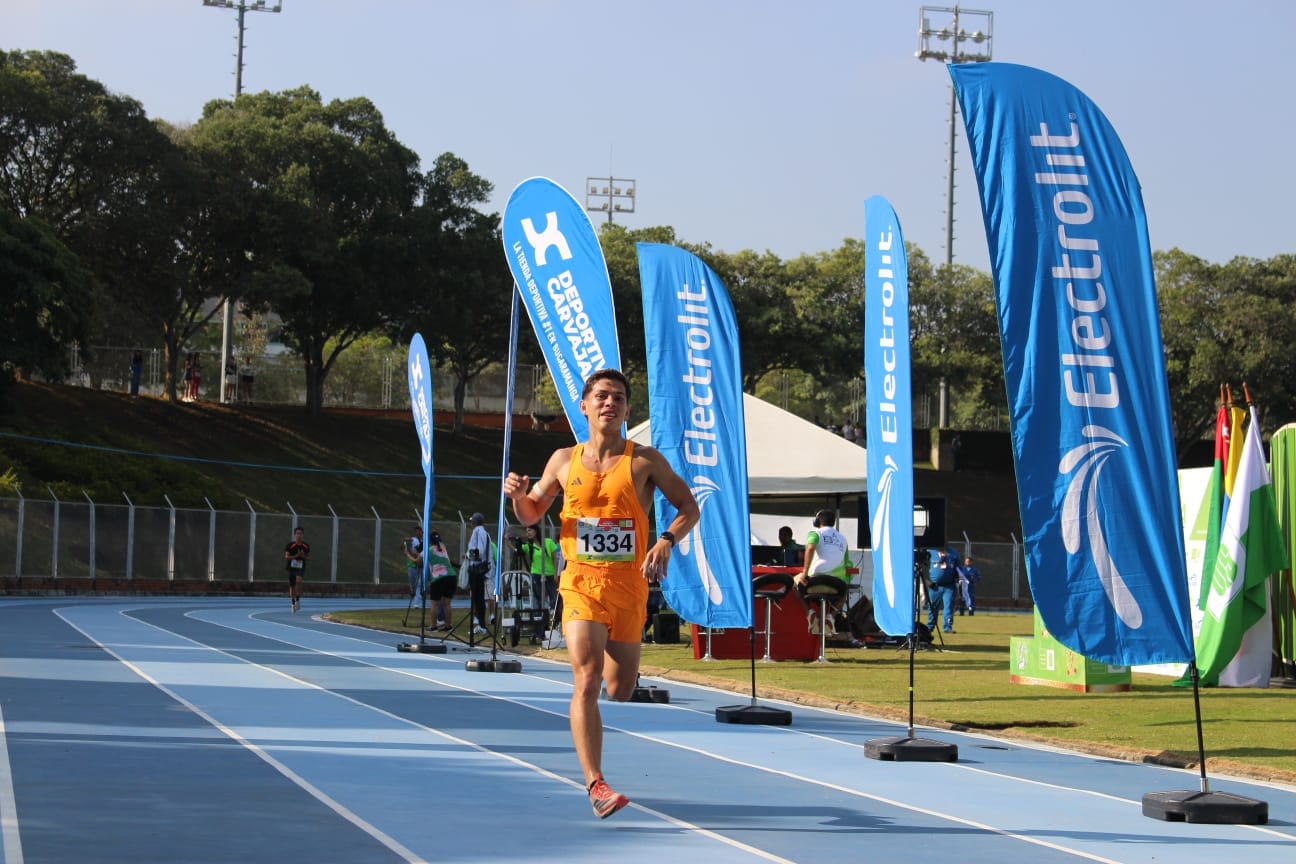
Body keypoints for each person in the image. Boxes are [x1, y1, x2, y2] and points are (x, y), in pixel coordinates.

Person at [502, 368, 699, 820]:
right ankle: (596, 784)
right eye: (602, 396)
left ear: (628, 410)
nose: (610, 403)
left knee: (620, 689)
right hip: (580, 583)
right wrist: (515, 495)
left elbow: (689, 507)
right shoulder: (563, 461)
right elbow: (531, 514)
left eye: (619, 397)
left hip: (629, 587)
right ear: (586, 406)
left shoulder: (645, 461)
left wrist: (665, 539)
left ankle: (603, 748)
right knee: (586, 679)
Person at [795, 509, 851, 636]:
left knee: (793, 583)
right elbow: (847, 563)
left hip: (816, 581)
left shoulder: (815, 532)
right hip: (837, 585)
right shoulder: (843, 539)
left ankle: (810, 613)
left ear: (817, 521)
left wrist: (805, 572)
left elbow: (810, 548)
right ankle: (830, 617)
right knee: (844, 592)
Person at [521, 524, 559, 642]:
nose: (528, 533)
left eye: (530, 530)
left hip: (549, 574)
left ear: (536, 531)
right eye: (527, 531)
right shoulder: (529, 546)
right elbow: (517, 550)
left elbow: (555, 558)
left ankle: (554, 628)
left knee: (554, 601)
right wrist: (507, 541)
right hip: (536, 575)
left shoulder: (548, 542)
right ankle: (539, 631)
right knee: (538, 602)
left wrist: (555, 574)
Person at [424, 530, 457, 630]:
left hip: (438, 577)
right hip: (451, 575)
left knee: (434, 603)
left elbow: (419, 561)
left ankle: (434, 626)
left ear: (430, 541)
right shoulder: (442, 547)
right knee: (447, 603)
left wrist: (408, 554)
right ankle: (448, 625)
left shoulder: (428, 550)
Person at [465, 512, 492, 635]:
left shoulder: (478, 532)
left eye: (472, 521)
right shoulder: (483, 532)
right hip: (479, 568)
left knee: (478, 598)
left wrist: (467, 555)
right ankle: (481, 624)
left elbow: (479, 552)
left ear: (475, 522)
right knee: (478, 598)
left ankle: (481, 624)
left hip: (477, 569)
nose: (471, 523)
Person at [927, 549, 958, 633]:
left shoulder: (954, 553)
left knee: (948, 607)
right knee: (932, 607)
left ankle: (947, 627)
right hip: (934, 587)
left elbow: (958, 569)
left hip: (949, 586)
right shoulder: (930, 552)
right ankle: (930, 626)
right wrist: (927, 581)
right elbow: (921, 567)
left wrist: (959, 579)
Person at [284, 525, 310, 613]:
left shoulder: (306, 546)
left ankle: (298, 599)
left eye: (301, 533)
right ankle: (292, 602)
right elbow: (287, 557)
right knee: (292, 585)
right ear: (294, 535)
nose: (299, 535)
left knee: (299, 581)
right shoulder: (290, 545)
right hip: (291, 567)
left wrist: (303, 556)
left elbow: (308, 557)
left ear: (303, 535)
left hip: (300, 567)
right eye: (297, 533)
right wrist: (296, 556)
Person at [403, 525, 424, 602]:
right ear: (415, 533)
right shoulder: (413, 540)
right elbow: (405, 544)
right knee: (412, 583)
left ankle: (417, 600)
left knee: (419, 583)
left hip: (420, 565)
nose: (419, 533)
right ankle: (414, 593)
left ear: (422, 532)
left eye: (420, 532)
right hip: (411, 564)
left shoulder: (423, 542)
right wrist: (406, 540)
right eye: (417, 532)